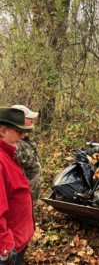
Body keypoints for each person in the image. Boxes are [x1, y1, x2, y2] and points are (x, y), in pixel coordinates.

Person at [0, 107, 35, 265]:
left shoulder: (8, 152)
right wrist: (6, 245)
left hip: (18, 238)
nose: (23, 136)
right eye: (19, 131)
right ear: (3, 130)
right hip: (9, 244)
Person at [11, 105, 42, 204]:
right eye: (29, 118)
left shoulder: (24, 140)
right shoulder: (14, 144)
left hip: (28, 198)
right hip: (20, 200)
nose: (32, 121)